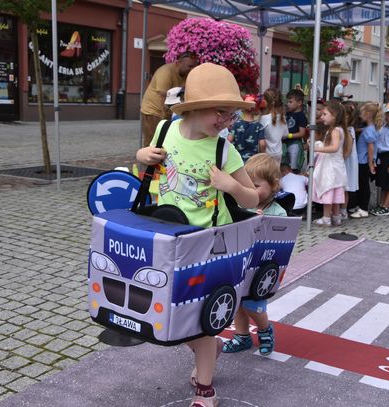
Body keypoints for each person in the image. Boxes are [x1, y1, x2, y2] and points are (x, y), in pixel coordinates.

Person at [136, 63, 259, 407]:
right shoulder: (164, 130)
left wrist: (231, 185)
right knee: (167, 317)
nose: (226, 120)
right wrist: (142, 155)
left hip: (206, 248)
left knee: (200, 321)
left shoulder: (224, 150)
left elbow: (253, 198)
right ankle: (210, 346)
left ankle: (205, 389)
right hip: (166, 240)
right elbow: (146, 163)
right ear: (194, 107)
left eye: (231, 114)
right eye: (220, 112)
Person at [222, 153, 284, 357]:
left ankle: (264, 329)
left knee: (254, 305)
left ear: (273, 185)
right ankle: (242, 336)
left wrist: (262, 223)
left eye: (256, 185)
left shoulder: (278, 212)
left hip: (260, 269)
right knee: (237, 304)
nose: (250, 189)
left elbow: (281, 241)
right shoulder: (241, 205)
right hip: (239, 262)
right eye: (247, 185)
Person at [140, 52, 199, 146]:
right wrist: (169, 117)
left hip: (168, 111)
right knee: (153, 143)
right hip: (153, 111)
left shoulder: (186, 74)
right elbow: (163, 98)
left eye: (194, 66)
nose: (192, 69)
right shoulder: (165, 72)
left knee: (166, 142)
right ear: (178, 63)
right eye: (190, 66)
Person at [312, 101, 352, 226]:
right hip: (337, 166)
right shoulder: (340, 130)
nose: (322, 116)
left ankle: (326, 218)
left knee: (328, 190)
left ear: (334, 116)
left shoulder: (335, 130)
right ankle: (336, 216)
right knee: (335, 192)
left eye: (325, 114)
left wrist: (317, 148)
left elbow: (334, 147)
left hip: (331, 167)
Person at [369, 102, 389, 216]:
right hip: (381, 157)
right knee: (384, 184)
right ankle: (381, 204)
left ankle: (386, 206)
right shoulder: (383, 128)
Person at [350, 102, 382, 219]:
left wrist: (370, 163)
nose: (359, 115)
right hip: (363, 161)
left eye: (361, 113)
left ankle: (363, 208)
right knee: (362, 184)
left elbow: (370, 147)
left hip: (363, 161)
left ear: (368, 114)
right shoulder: (371, 128)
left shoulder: (369, 130)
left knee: (364, 185)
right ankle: (360, 206)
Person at [229, 94, 266, 162]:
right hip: (253, 160)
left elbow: (229, 140)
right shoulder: (259, 126)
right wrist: (262, 155)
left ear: (242, 109)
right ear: (255, 109)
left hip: (238, 160)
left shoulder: (236, 124)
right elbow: (262, 144)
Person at [340, 103, 359, 220]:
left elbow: (348, 151)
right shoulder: (342, 129)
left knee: (344, 188)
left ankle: (343, 210)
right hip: (343, 161)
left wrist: (340, 159)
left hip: (346, 162)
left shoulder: (349, 130)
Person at [260, 88, 287, 163]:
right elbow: (285, 134)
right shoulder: (283, 118)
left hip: (267, 153)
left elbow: (260, 137)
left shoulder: (264, 118)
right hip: (278, 152)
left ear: (266, 102)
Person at [284, 89, 308, 173]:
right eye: (288, 102)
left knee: (293, 166)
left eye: (290, 102)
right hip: (284, 143)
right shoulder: (287, 114)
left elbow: (302, 133)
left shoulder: (301, 116)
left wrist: (289, 135)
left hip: (294, 143)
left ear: (299, 103)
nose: (288, 104)